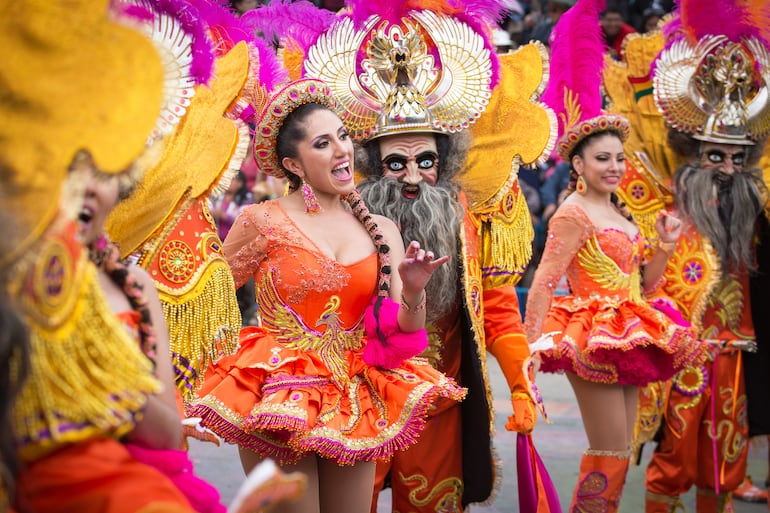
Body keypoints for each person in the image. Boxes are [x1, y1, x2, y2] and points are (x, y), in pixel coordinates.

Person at [283, 1, 558, 510]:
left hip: (437, 403)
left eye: (426, 161)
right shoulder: (340, 219)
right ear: (370, 163)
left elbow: (496, 308)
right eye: (396, 163)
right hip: (356, 400)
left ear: (445, 160)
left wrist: (520, 381)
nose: (412, 177)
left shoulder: (468, 221)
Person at [188, 78, 467, 513]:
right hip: (280, 397)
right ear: (293, 164)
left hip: (353, 395)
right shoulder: (262, 220)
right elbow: (210, 298)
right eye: (323, 143)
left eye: (342, 136)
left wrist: (414, 289)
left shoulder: (381, 229)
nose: (342, 149)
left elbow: (404, 330)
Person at [529, 1, 704, 511]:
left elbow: (645, 286)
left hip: (630, 328)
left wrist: (667, 244)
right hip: (592, 337)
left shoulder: (624, 215)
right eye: (602, 159)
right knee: (608, 451)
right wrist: (531, 354)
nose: (615, 166)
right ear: (577, 163)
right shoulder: (573, 212)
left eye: (620, 158)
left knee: (621, 451)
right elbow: (543, 282)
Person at [600, 1, 770, 511]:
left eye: (737, 159)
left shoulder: (755, 208)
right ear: (691, 157)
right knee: (675, 455)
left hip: (735, 348)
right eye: (714, 156)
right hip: (682, 350)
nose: (724, 169)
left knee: (724, 461)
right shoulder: (662, 208)